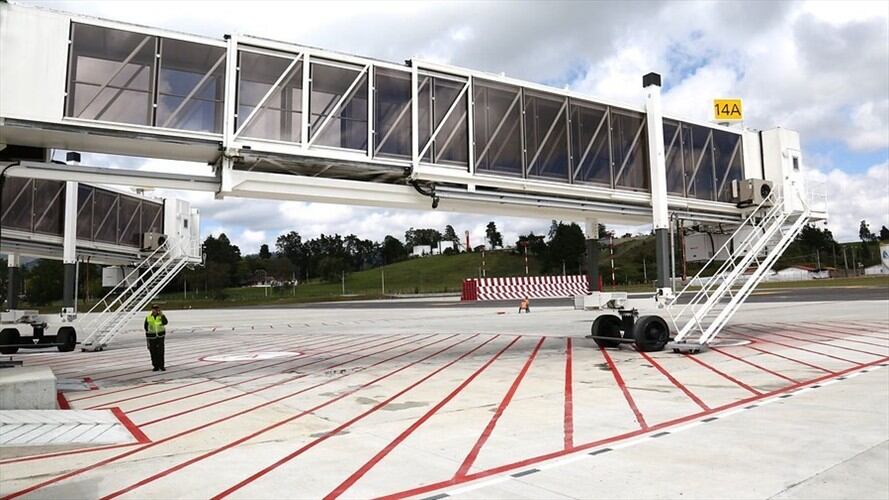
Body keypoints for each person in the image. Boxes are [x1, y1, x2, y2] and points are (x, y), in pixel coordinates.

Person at [144, 304, 168, 371]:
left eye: (157, 309)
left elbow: (165, 322)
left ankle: (161, 366)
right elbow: (146, 327)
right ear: (152, 309)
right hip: (152, 337)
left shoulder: (161, 316)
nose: (155, 310)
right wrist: (148, 337)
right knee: (153, 352)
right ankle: (155, 366)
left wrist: (162, 315)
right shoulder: (148, 317)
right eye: (154, 309)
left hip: (160, 336)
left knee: (161, 351)